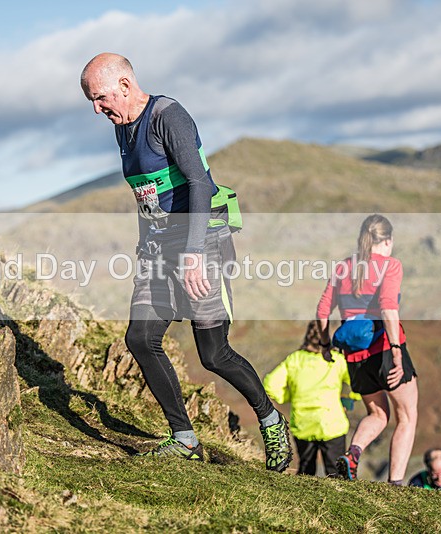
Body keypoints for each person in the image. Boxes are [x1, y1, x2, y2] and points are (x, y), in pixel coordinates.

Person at [80, 52, 292, 471]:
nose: (96, 108)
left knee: (213, 353)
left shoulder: (168, 116)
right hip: (159, 249)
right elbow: (147, 194)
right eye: (90, 100)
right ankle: (185, 439)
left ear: (125, 85)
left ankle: (270, 419)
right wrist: (146, 246)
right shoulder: (122, 127)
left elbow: (197, 183)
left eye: (100, 97)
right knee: (141, 338)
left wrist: (195, 254)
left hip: (202, 241)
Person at [316, 214, 418, 485]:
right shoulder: (391, 266)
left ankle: (353, 453)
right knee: (406, 416)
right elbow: (387, 306)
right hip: (384, 348)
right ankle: (395, 484)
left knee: (378, 414)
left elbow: (323, 310)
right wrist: (396, 351)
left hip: (355, 356)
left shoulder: (343, 268)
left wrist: (326, 345)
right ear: (388, 241)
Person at [263, 321, 360, 476]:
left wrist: (288, 397)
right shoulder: (336, 360)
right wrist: (349, 400)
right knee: (336, 472)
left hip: (303, 423)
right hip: (331, 422)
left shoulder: (294, 359)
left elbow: (270, 385)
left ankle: (302, 498)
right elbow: (358, 383)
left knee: (305, 470)